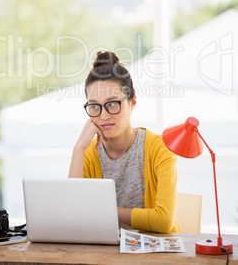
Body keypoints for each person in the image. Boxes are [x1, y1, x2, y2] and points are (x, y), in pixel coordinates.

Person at [69, 51, 180, 233]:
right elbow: (73, 215)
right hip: (106, 254)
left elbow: (163, 221)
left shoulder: (160, 149)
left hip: (157, 253)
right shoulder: (88, 153)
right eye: (94, 106)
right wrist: (78, 148)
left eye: (112, 103)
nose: (103, 116)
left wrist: (104, 211)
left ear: (132, 102)